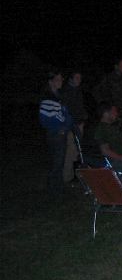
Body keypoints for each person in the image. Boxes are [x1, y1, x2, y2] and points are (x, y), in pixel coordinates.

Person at [39, 68, 73, 199]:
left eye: (61, 79)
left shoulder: (58, 96)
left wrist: (67, 123)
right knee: (56, 162)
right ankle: (53, 190)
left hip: (61, 133)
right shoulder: (48, 97)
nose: (61, 82)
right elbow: (46, 118)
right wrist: (61, 127)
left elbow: (65, 114)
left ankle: (57, 188)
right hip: (55, 134)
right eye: (58, 79)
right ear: (51, 82)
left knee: (60, 161)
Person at [60, 70, 88, 182]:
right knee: (70, 151)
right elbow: (66, 110)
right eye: (76, 78)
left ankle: (76, 175)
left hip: (79, 124)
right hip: (70, 126)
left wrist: (84, 115)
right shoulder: (66, 91)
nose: (79, 80)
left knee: (77, 150)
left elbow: (79, 107)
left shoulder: (78, 90)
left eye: (80, 78)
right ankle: (67, 176)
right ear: (70, 79)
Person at [93, 102, 122, 174]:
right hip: (117, 162)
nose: (116, 114)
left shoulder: (111, 128)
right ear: (106, 113)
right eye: (114, 111)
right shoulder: (102, 128)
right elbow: (105, 151)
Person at [93, 58, 122, 126]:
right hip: (110, 110)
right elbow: (95, 90)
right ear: (116, 66)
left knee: (120, 129)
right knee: (110, 129)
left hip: (121, 110)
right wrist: (103, 104)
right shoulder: (108, 77)